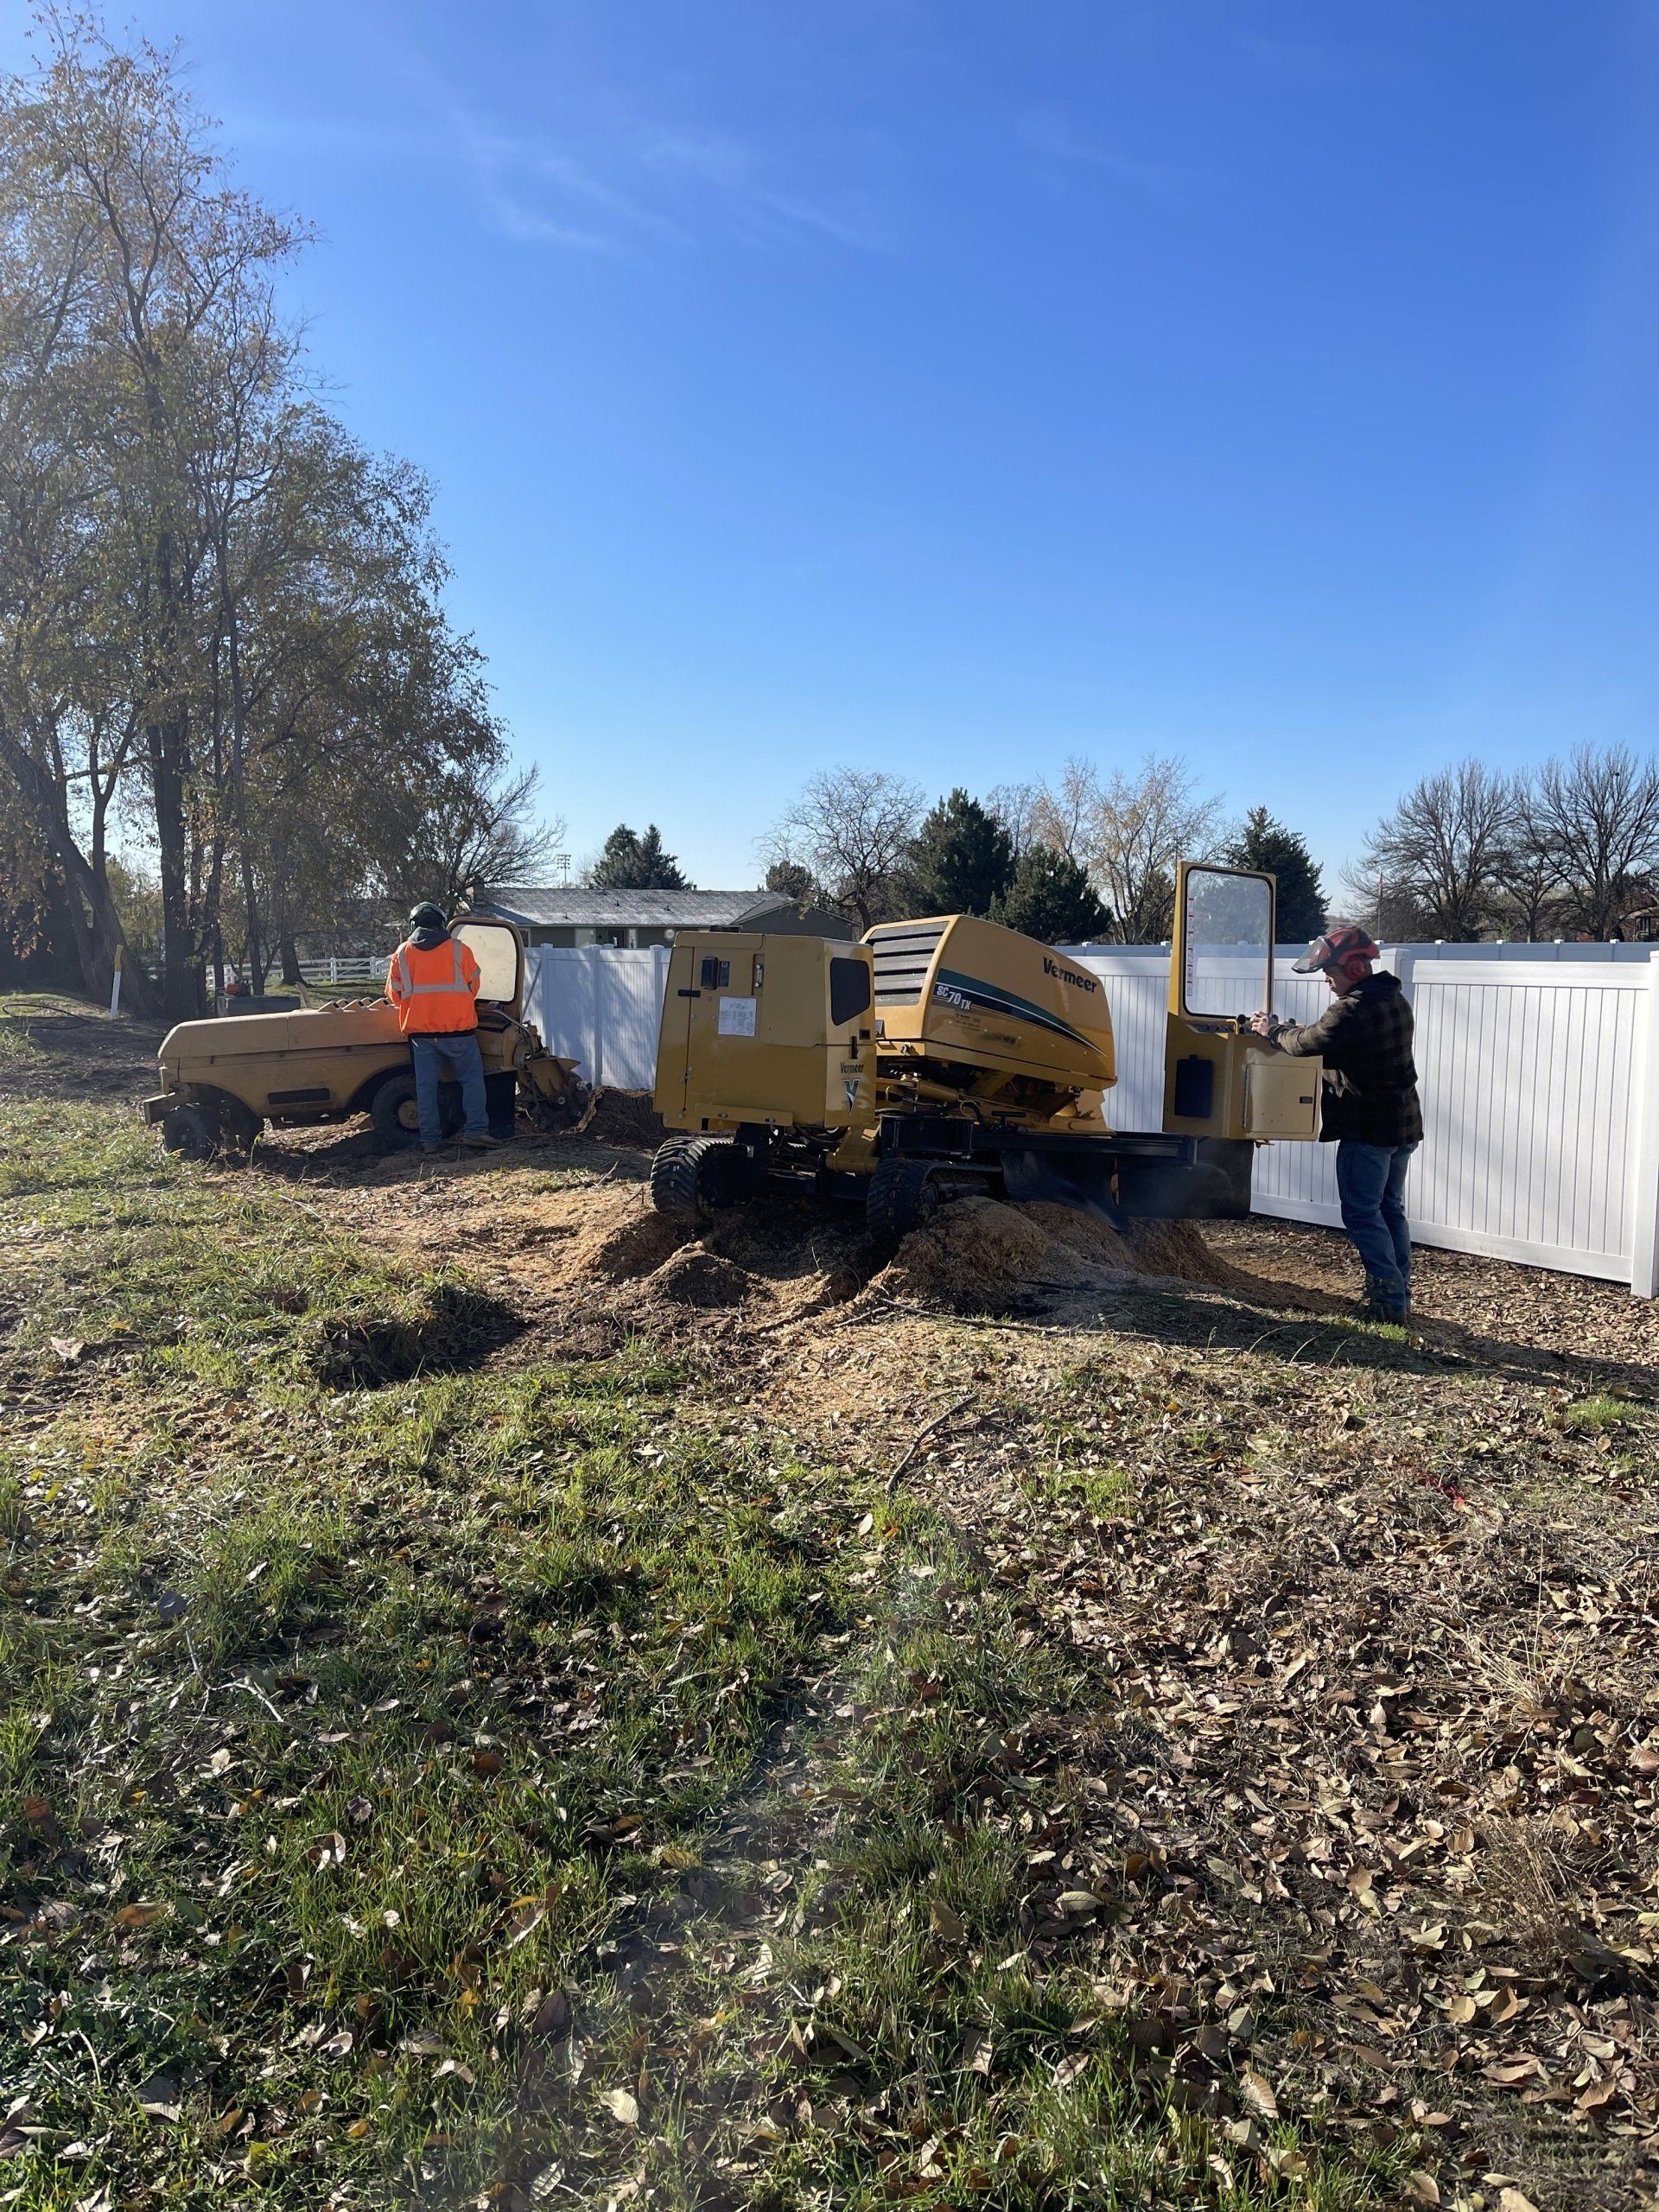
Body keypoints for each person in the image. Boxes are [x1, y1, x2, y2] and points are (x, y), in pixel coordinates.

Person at [1250, 924, 1422, 1323]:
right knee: (1390, 1209)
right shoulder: (1394, 1000)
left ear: (1357, 968)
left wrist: (1270, 1030)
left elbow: (1306, 1043)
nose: (1327, 979)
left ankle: (1388, 1301)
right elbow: (1333, 1045)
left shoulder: (1350, 1009)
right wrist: (1291, 1032)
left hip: (1368, 1129)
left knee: (1362, 1214)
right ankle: (1400, 1292)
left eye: (1331, 971)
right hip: (1403, 1125)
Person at [385, 902, 502, 1154]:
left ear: (412, 926)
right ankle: (476, 1132)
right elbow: (474, 988)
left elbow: (395, 996)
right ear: (441, 923)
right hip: (460, 1033)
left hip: (422, 1036)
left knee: (425, 1089)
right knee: (471, 1081)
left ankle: (430, 1140)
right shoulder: (460, 950)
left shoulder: (402, 954)